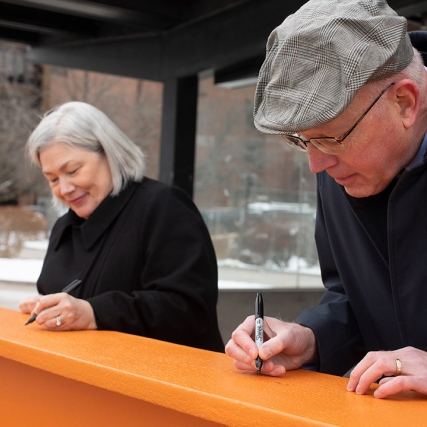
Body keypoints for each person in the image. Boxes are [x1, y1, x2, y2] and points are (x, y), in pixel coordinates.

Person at [225, 0, 427, 398]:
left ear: (405, 102)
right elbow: (354, 295)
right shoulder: (341, 162)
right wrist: (312, 336)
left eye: (331, 137)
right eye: (303, 140)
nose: (316, 165)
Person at [19, 101, 224, 353]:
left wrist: (95, 313)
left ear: (109, 152)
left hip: (160, 382)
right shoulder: (64, 227)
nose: (64, 188)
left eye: (72, 170)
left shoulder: (162, 206)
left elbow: (188, 310)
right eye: (52, 179)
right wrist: (49, 309)